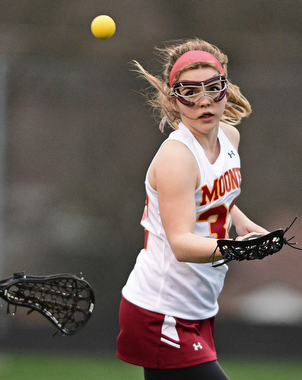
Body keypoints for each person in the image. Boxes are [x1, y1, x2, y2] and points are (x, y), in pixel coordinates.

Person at [116, 38, 269, 380]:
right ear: (174, 99)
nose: (203, 101)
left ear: (225, 87)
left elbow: (214, 199)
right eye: (189, 91)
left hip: (197, 307)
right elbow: (182, 245)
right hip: (162, 311)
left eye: (213, 88)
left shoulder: (229, 138)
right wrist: (235, 249)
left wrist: (240, 222)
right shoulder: (177, 158)